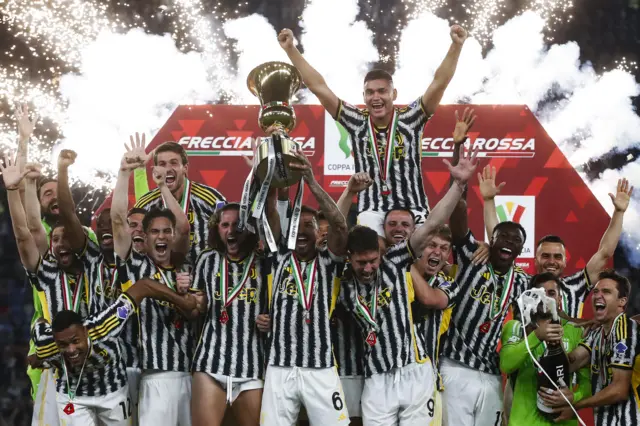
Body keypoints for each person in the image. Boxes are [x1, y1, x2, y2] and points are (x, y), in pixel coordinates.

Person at [278, 25, 468, 237]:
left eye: (382, 91)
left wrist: (456, 46)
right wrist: (290, 50)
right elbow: (319, 87)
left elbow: (439, 83)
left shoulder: (411, 118)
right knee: (368, 259)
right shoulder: (357, 121)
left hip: (413, 209)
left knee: (418, 264)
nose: (375, 97)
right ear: (364, 97)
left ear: (393, 94)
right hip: (371, 211)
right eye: (369, 92)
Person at [338, 144, 477, 425]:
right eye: (361, 263)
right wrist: (349, 193)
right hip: (376, 378)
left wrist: (458, 185)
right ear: (349, 258)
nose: (368, 268)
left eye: (373, 261)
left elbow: (432, 223)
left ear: (381, 255)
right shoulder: (341, 285)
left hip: (415, 371)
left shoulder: (397, 262)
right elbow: (337, 226)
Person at [112, 138, 204, 425]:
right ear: (145, 237)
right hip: (155, 377)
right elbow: (117, 219)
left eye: (167, 231)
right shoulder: (136, 265)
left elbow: (185, 226)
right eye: (154, 232)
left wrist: (163, 187)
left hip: (194, 376)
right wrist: (124, 173)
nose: (161, 237)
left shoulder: (188, 268)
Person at [439, 148, 531, 424]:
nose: (508, 243)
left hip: (491, 373)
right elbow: (457, 222)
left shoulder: (523, 281)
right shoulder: (472, 255)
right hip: (454, 365)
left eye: (516, 241)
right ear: (492, 239)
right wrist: (460, 186)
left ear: (521, 249)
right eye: (502, 237)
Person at [259, 150, 350, 426]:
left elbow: (339, 223)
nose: (301, 231)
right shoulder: (278, 259)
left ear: (318, 232)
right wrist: (266, 174)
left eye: (309, 225)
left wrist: (310, 180)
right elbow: (271, 210)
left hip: (320, 366)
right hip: (279, 366)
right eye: (296, 224)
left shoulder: (330, 262)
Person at [30, 277, 199, 425]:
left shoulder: (106, 324)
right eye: (63, 345)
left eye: (75, 341)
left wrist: (181, 301)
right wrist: (38, 357)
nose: (71, 349)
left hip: (114, 393)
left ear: (85, 331)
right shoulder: (47, 345)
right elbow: (39, 325)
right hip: (73, 397)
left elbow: (144, 286)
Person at [481, 167, 633, 318]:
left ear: (565, 261)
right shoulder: (521, 282)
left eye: (557, 257)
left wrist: (618, 213)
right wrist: (488, 201)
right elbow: (500, 242)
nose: (552, 261)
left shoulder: (576, 286)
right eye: (546, 256)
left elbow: (605, 253)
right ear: (536, 260)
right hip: (526, 343)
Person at [190, 196, 280, 425]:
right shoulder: (206, 260)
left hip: (251, 367)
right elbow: (194, 307)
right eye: (225, 225)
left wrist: (270, 321)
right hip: (210, 365)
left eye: (238, 225)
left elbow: (278, 306)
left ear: (248, 229)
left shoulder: (263, 261)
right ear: (217, 229)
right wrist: (195, 304)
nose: (231, 230)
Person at [541, 270, 640, 425]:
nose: (597, 295)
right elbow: (570, 364)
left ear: (622, 301)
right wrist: (553, 327)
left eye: (606, 292)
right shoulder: (596, 334)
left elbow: (620, 390)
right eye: (595, 291)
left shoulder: (625, 328)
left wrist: (575, 406)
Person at [499, 273, 591, 426]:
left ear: (560, 299)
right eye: (539, 293)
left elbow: (587, 382)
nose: (545, 298)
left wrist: (574, 397)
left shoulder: (575, 331)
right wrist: (537, 336)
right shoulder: (516, 327)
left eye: (551, 293)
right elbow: (507, 364)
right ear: (530, 298)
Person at [133, 135, 226, 264]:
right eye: (162, 164)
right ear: (155, 170)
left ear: (185, 169)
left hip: (203, 277)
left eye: (174, 163)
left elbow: (229, 237)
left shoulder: (210, 199)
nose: (168, 168)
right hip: (162, 278)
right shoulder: (146, 204)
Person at [410, 225, 458, 426]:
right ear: (419, 246)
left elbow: (430, 299)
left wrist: (406, 264)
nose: (437, 252)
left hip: (427, 381)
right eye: (432, 245)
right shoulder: (394, 277)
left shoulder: (449, 284)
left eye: (444, 248)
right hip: (389, 378)